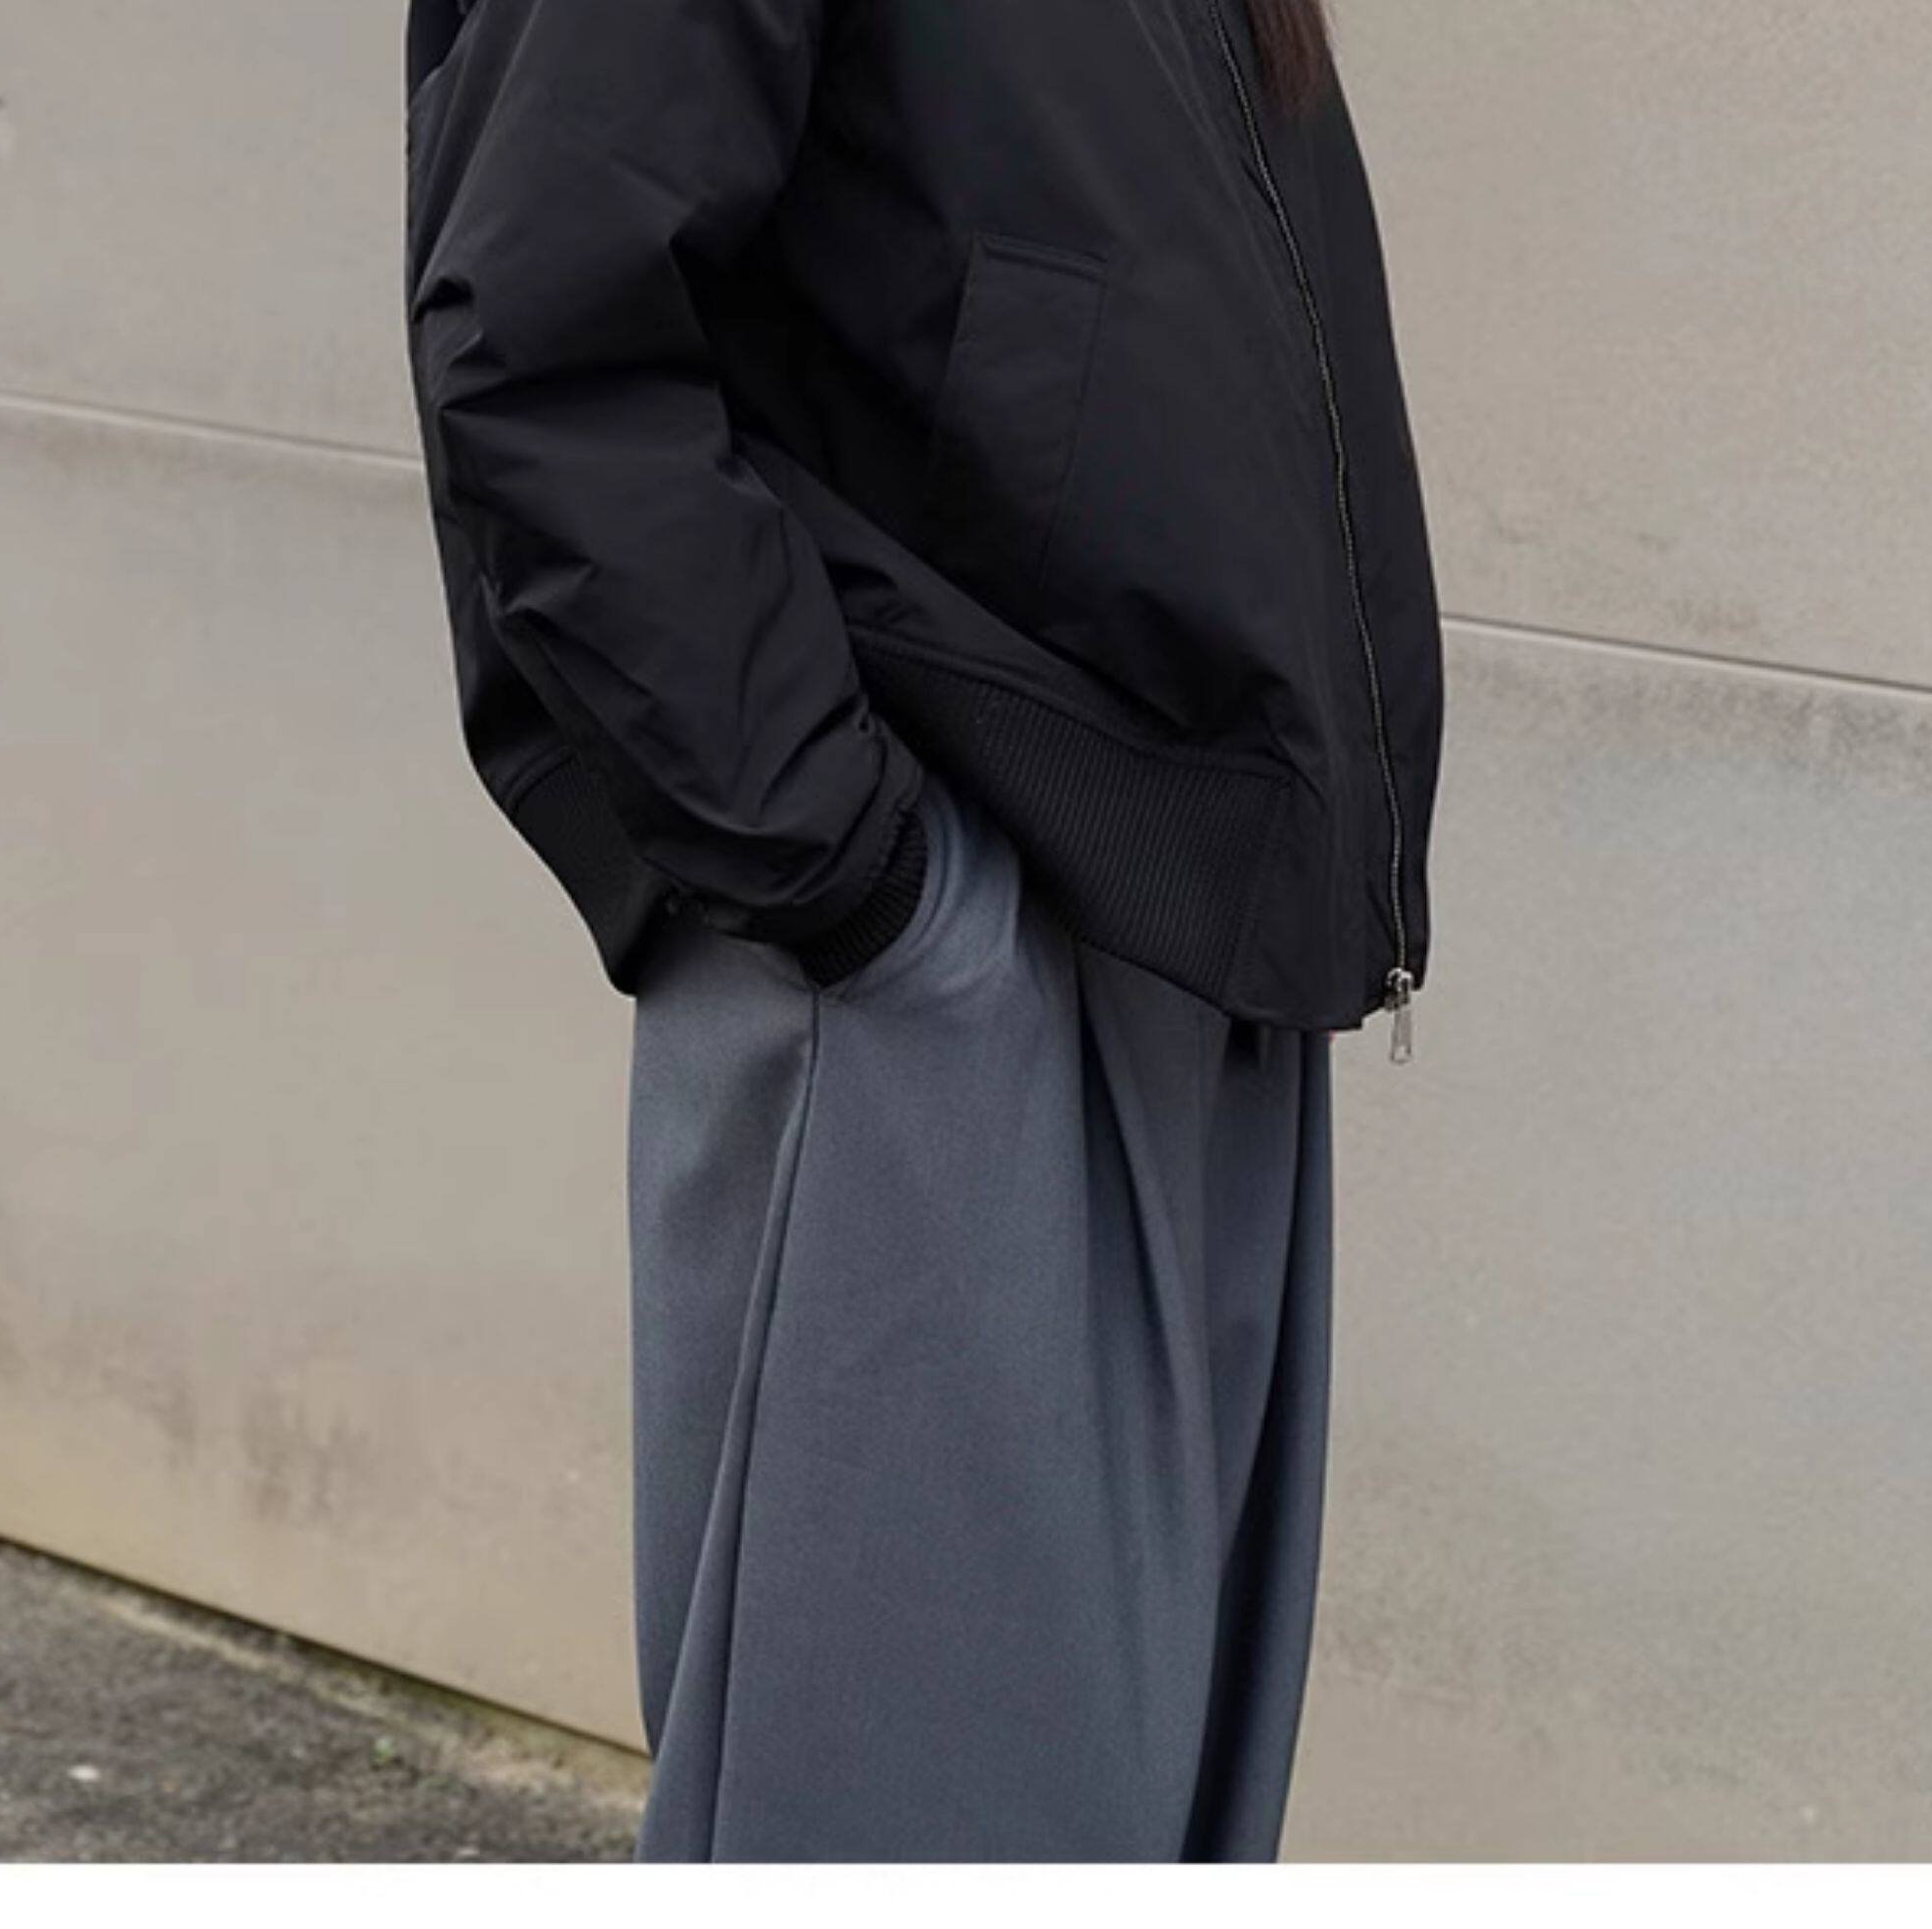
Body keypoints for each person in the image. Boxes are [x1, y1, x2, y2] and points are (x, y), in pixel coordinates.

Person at [402, 0, 1443, 1862]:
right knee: (916, 1827)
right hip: (953, 955)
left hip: (1197, 940)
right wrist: (870, 886)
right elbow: (541, 342)